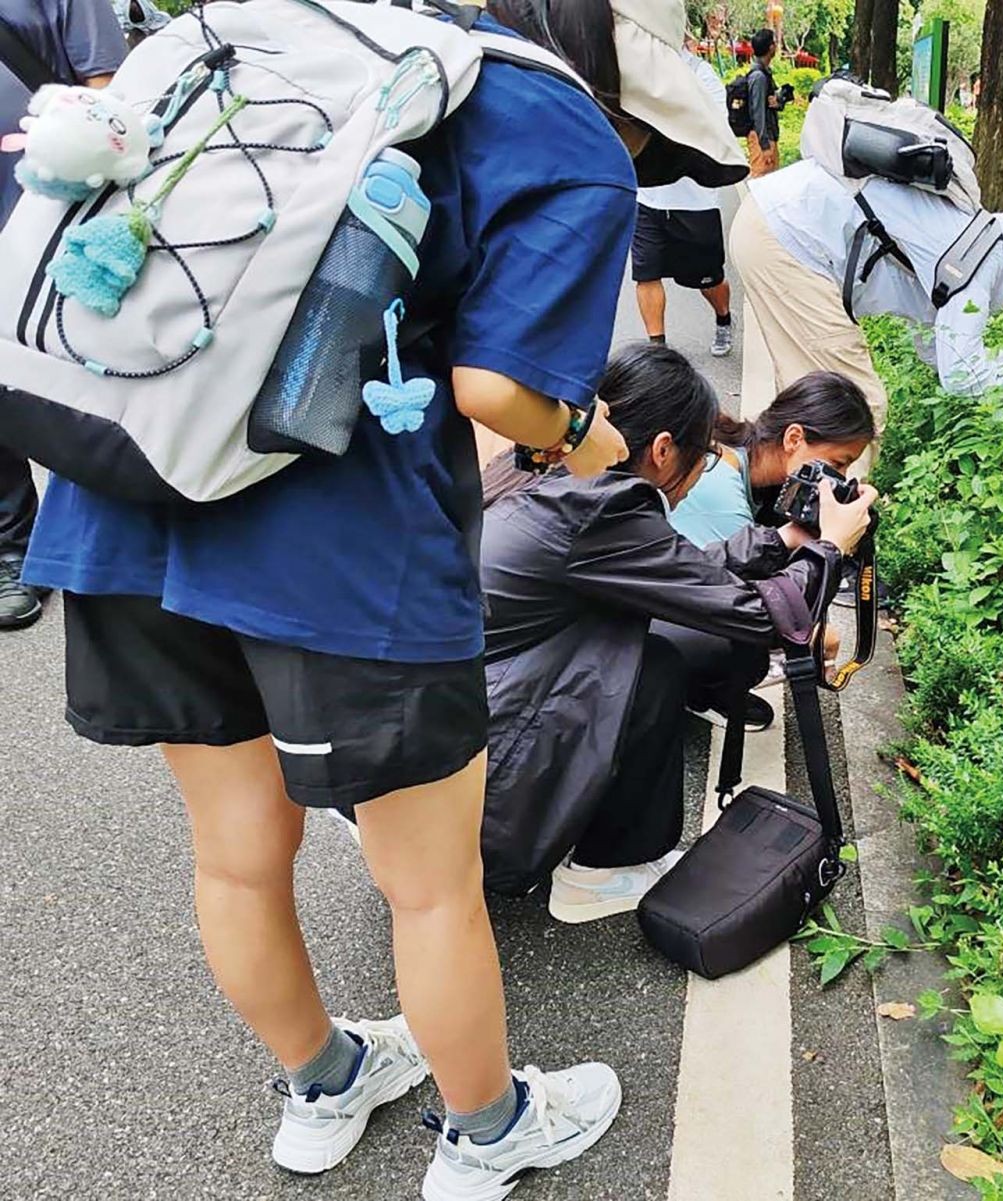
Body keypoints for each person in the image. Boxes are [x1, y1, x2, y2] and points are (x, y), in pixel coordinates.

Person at [15, 1, 746, 1199]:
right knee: (429, 882)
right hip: (336, 546)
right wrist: (590, 437)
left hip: (121, 488)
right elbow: (495, 390)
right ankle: (488, 1129)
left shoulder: (242, 32)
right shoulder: (552, 118)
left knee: (238, 856)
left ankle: (322, 1083)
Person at [476, 343, 876, 915]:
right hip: (468, 772)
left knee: (654, 653)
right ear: (663, 450)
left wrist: (786, 540)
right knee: (650, 670)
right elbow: (759, 616)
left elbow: (684, 573)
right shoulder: (603, 506)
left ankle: (593, 849)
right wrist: (833, 548)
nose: (701, 471)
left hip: (425, 730)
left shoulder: (549, 469)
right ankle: (598, 875)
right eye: (701, 456)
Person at [728, 157, 1003, 463]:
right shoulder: (981, 261)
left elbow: (937, 347)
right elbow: (962, 377)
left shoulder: (970, 242)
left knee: (809, 398)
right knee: (852, 409)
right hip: (788, 238)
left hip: (773, 222)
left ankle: (773, 501)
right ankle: (830, 532)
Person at [0, 0, 126, 630]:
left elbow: (112, 94)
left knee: (87, 371)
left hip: (48, 216)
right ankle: (9, 545)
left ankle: (120, 530)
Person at [670, 369, 875, 548]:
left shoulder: (757, 473)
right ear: (793, 439)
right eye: (837, 464)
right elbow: (735, 589)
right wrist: (833, 543)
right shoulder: (720, 490)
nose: (840, 478)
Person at [633, 43, 736, 357]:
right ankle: (657, 350)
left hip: (694, 201)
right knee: (646, 274)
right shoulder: (639, 72)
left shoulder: (702, 77)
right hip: (648, 198)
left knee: (709, 278)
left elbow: (713, 130)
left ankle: (723, 318)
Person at [743, 27, 781, 178]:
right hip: (762, 139)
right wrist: (764, 146)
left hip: (767, 137)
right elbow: (757, 113)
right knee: (760, 181)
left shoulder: (764, 73)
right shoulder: (758, 77)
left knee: (771, 183)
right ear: (771, 47)